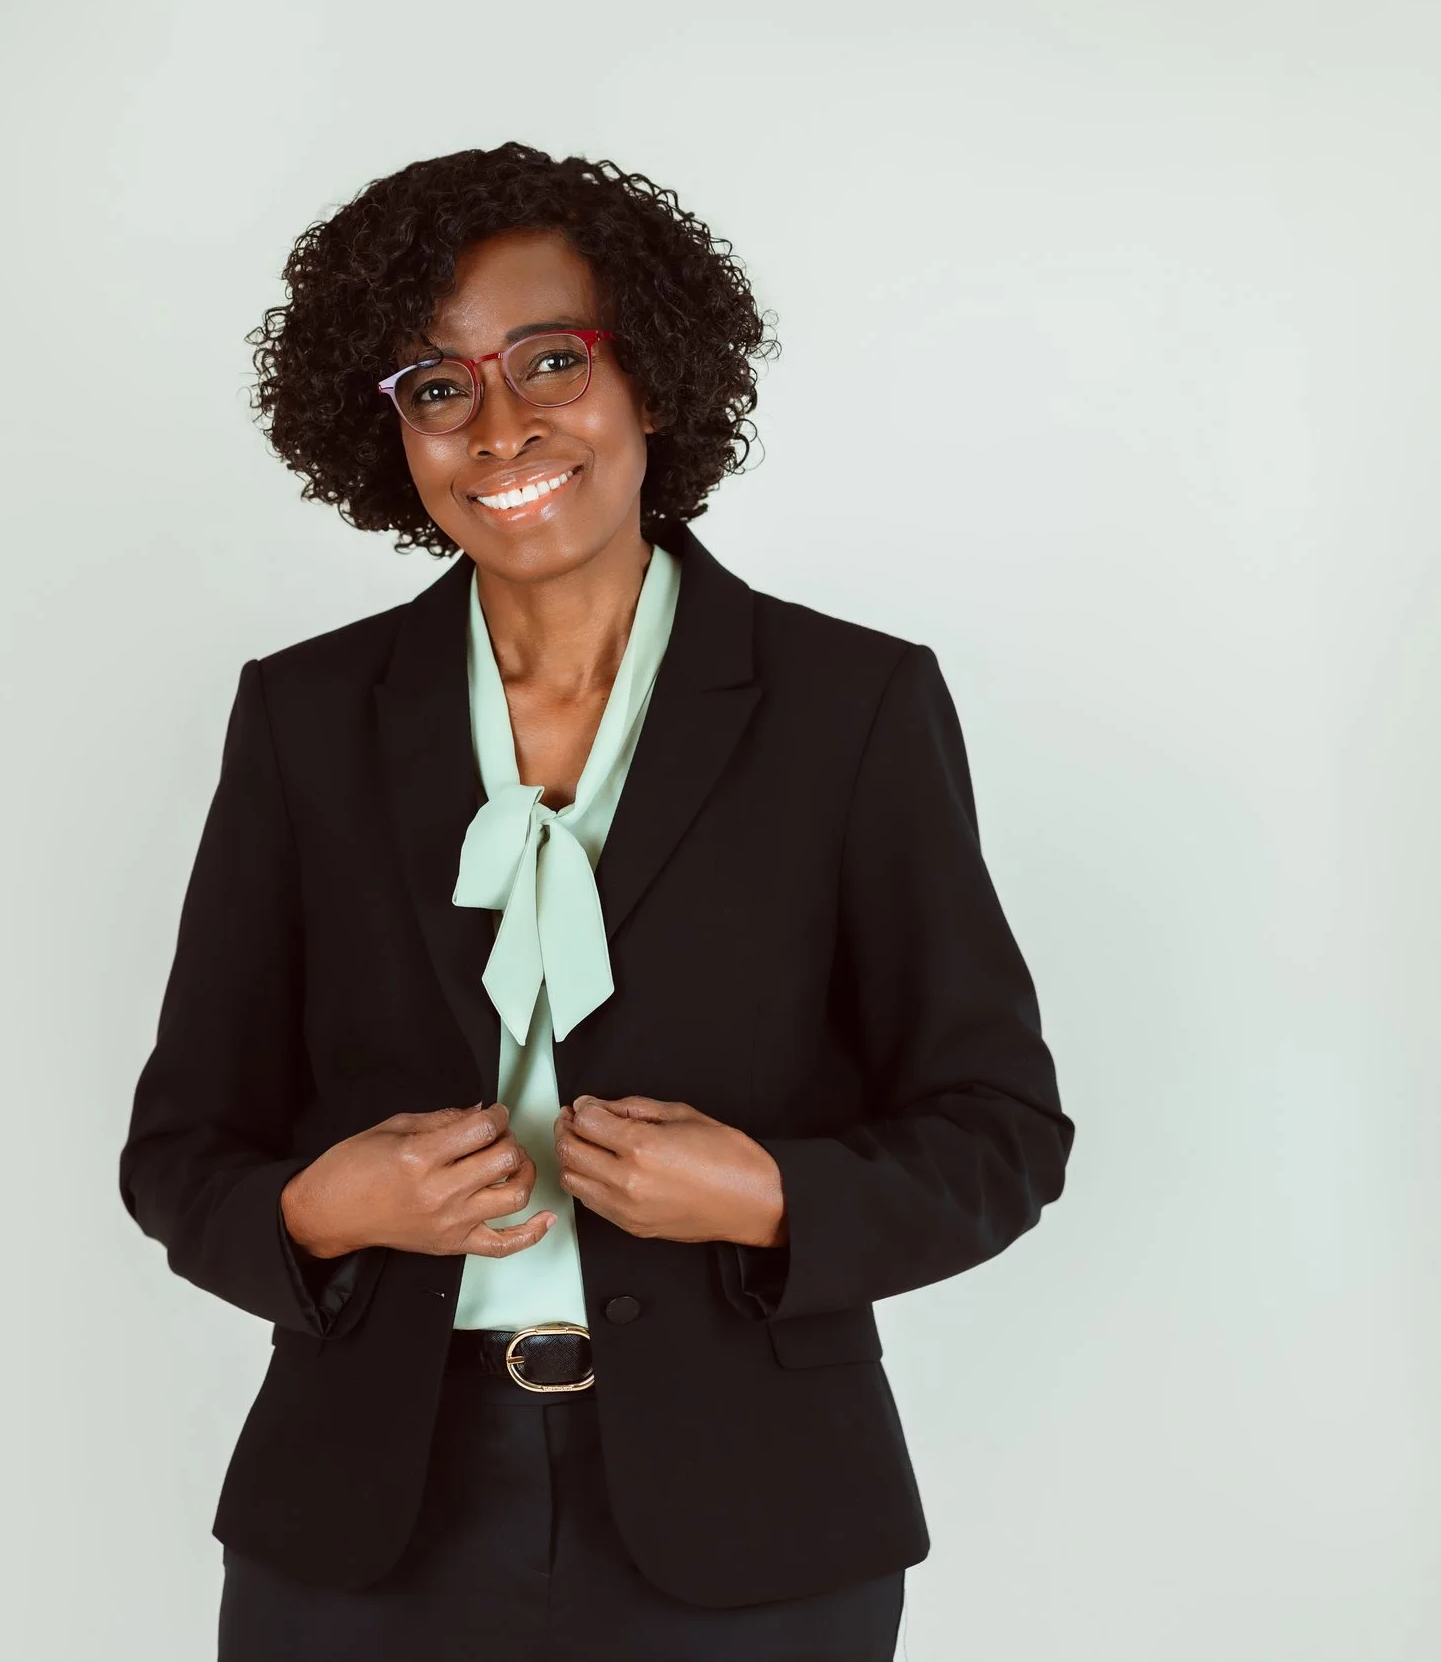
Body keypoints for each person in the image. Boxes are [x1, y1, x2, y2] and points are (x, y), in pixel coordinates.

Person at [119, 141, 1073, 1662]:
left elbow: (1000, 1131)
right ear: (389, 435)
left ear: (651, 381)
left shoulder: (853, 707)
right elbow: (179, 1150)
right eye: (437, 387)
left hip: (756, 1520)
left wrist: (768, 1198)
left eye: (551, 360)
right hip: (362, 1531)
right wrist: (317, 1211)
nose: (500, 425)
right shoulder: (305, 719)